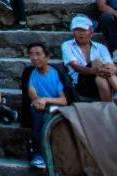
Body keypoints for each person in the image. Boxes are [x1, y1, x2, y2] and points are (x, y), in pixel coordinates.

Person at [61, 14, 117, 112]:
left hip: (100, 80)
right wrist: (94, 70)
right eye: (77, 30)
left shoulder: (101, 47)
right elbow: (76, 66)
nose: (81, 33)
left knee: (101, 78)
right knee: (97, 61)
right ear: (73, 32)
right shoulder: (67, 45)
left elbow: (113, 67)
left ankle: (110, 110)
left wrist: (108, 69)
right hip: (81, 84)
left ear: (91, 32)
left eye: (84, 30)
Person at [23, 42, 70, 170]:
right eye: (31, 54)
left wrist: (45, 100)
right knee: (36, 110)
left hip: (56, 106)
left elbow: (64, 100)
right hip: (40, 105)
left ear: (47, 57)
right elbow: (32, 94)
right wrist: (39, 100)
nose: (34, 58)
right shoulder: (30, 73)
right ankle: (38, 154)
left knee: (48, 114)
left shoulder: (56, 73)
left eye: (38, 54)